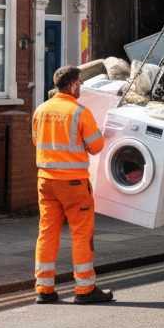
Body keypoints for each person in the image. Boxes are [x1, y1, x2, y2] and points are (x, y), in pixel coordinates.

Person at [31, 65, 112, 304]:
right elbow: (96, 147)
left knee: (47, 233)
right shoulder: (79, 111)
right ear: (73, 84)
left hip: (46, 181)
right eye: (80, 82)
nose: (81, 87)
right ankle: (85, 290)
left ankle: (44, 290)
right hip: (74, 184)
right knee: (81, 234)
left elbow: (36, 141)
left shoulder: (40, 110)